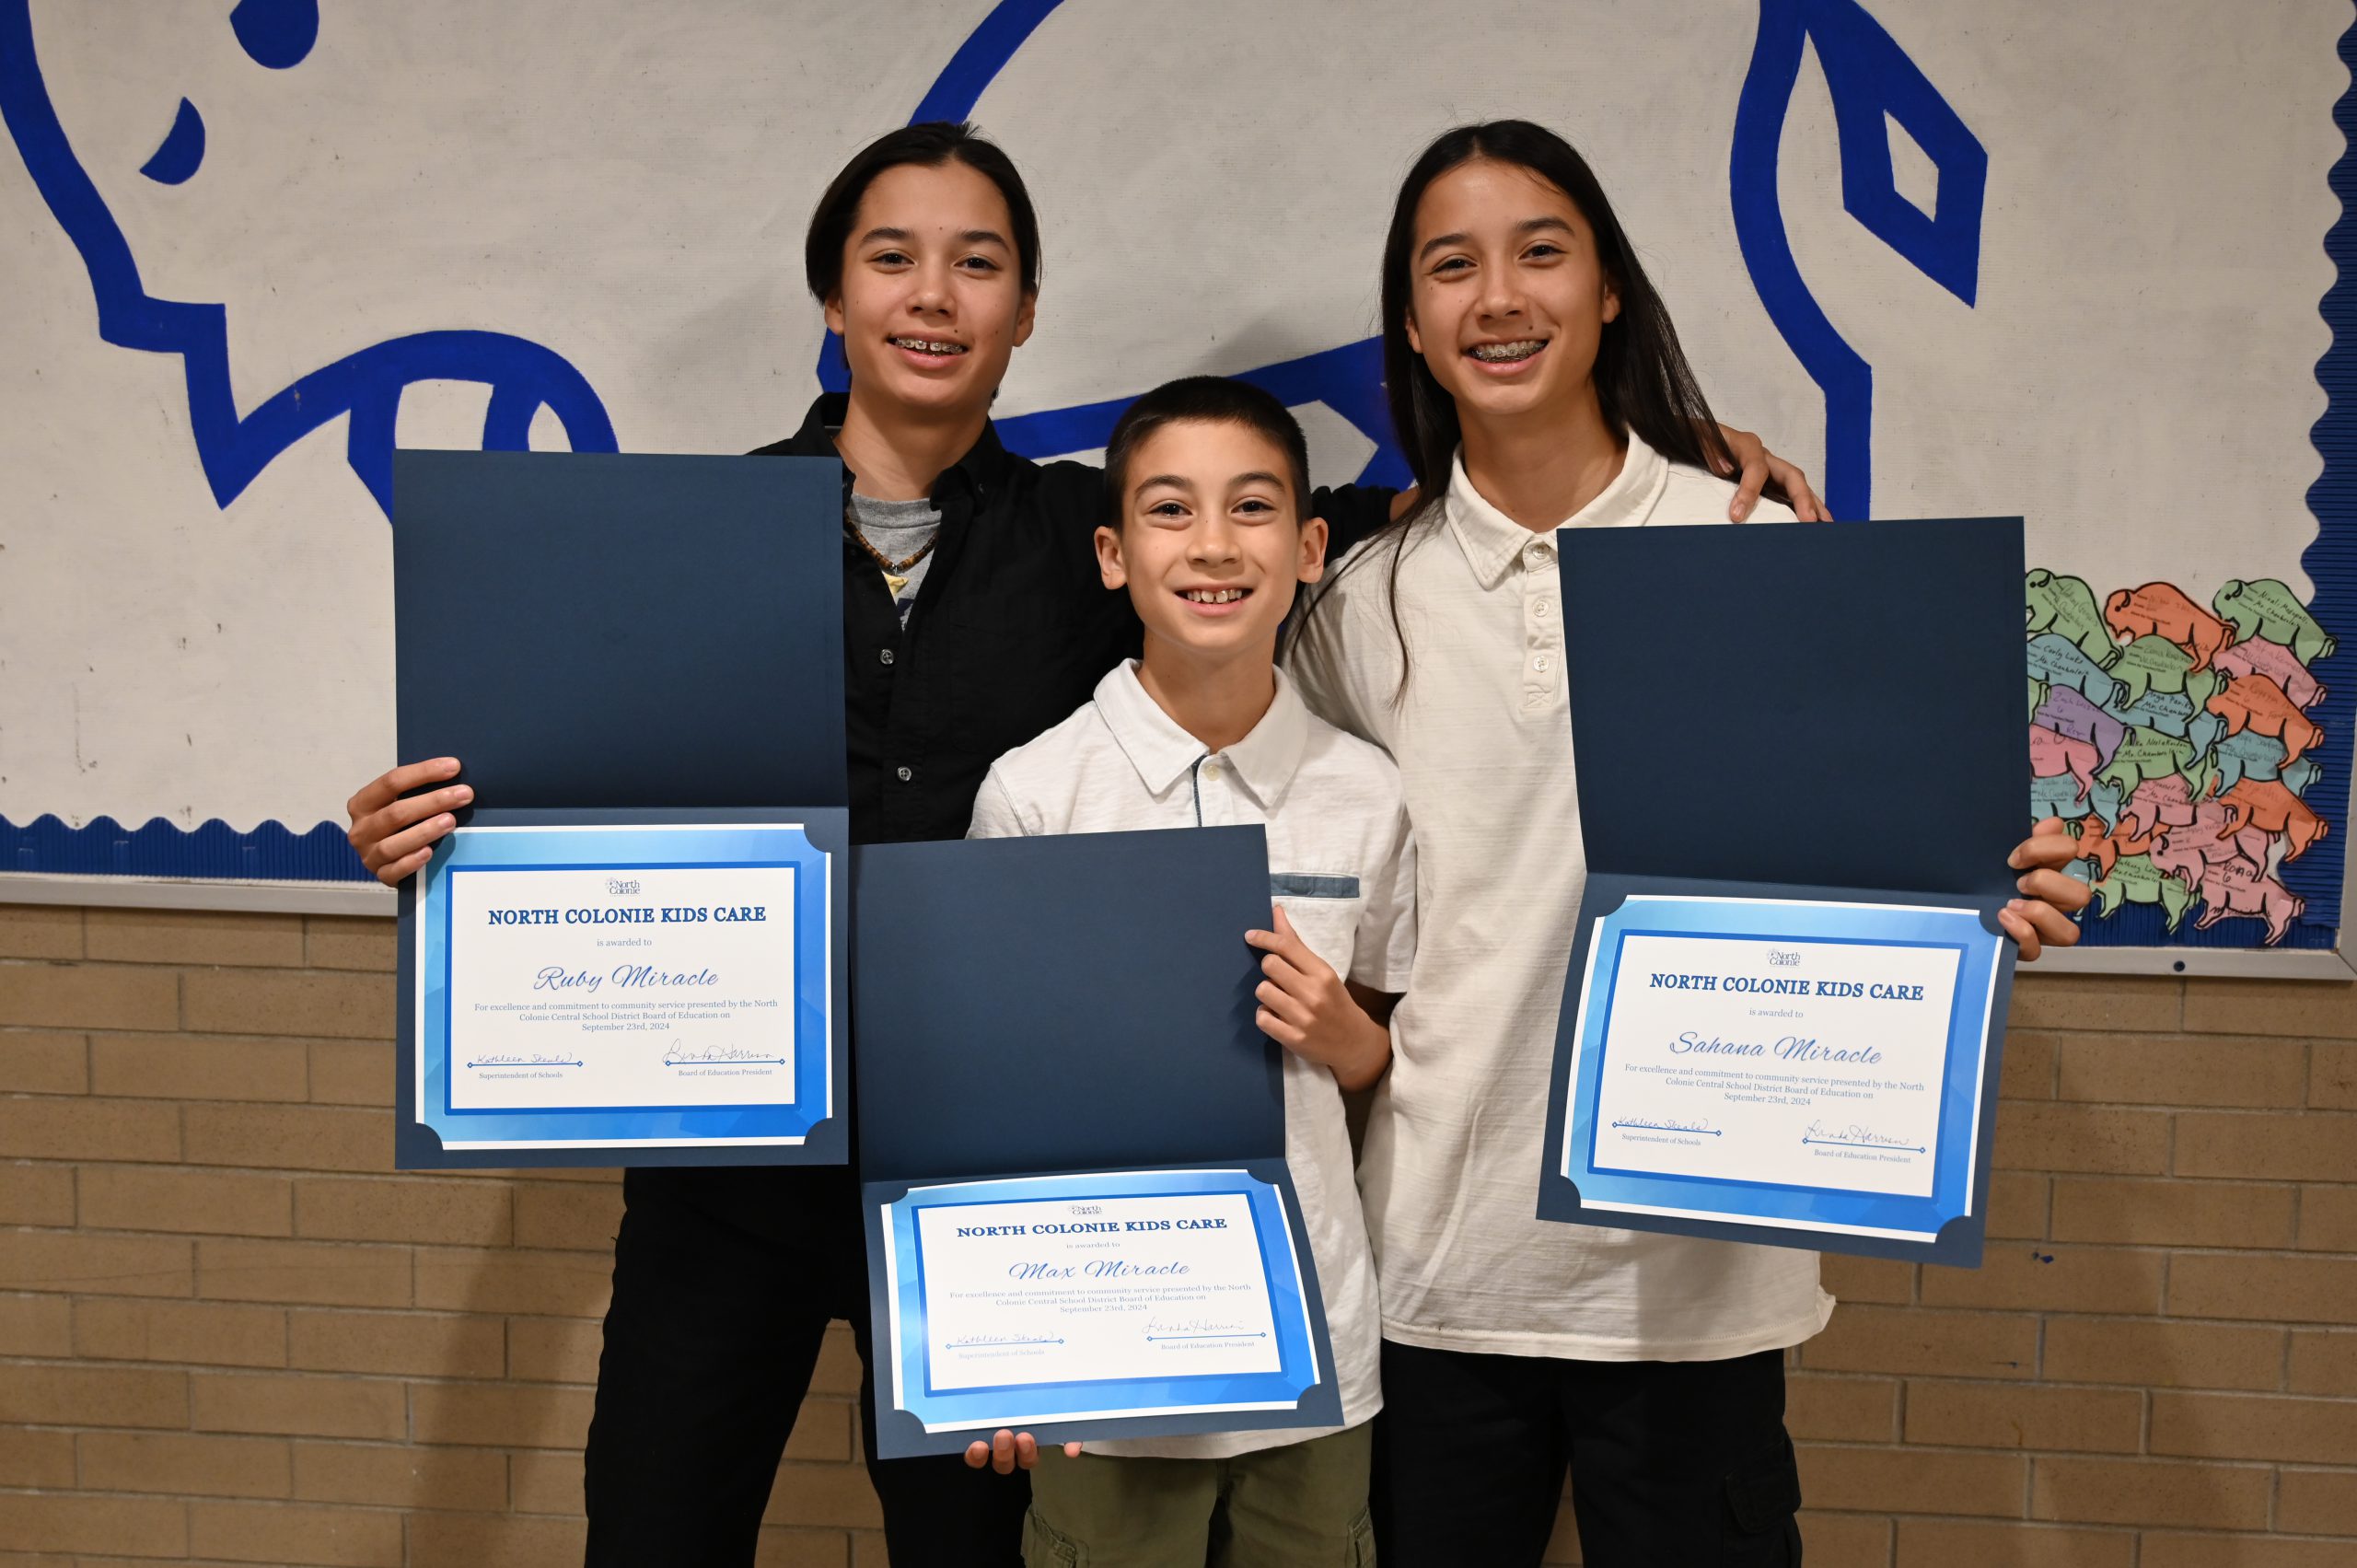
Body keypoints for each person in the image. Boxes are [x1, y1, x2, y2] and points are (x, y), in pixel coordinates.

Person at [341, 121, 1816, 1566]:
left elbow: (1339, 521)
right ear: (833, 298)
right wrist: (437, 837)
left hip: (989, 1189)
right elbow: (564, 777)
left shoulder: (1074, 536)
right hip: (732, 1177)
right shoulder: (688, 544)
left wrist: (1667, 445)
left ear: (1026, 309)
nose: (935, 296)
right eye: (893, 259)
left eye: (978, 263)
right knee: (657, 1530)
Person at [1285, 120, 2093, 1567]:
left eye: (1543, 252)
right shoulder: (1362, 607)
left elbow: (1883, 864)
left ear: (1610, 292)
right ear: (1411, 321)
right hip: (1436, 1270)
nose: (1500, 298)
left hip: (1696, 1278)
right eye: (1451, 267)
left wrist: (1981, 903)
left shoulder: (1757, 551)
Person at [966, 377, 1409, 1566]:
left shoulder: (1371, 796)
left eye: (1253, 507)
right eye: (1171, 511)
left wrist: (1340, 1036)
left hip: (1314, 1339)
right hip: (1101, 1362)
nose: (1214, 545)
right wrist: (995, 1351)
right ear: (1112, 555)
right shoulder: (1036, 792)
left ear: (1313, 547)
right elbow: (990, 1102)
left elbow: (1382, 1057)